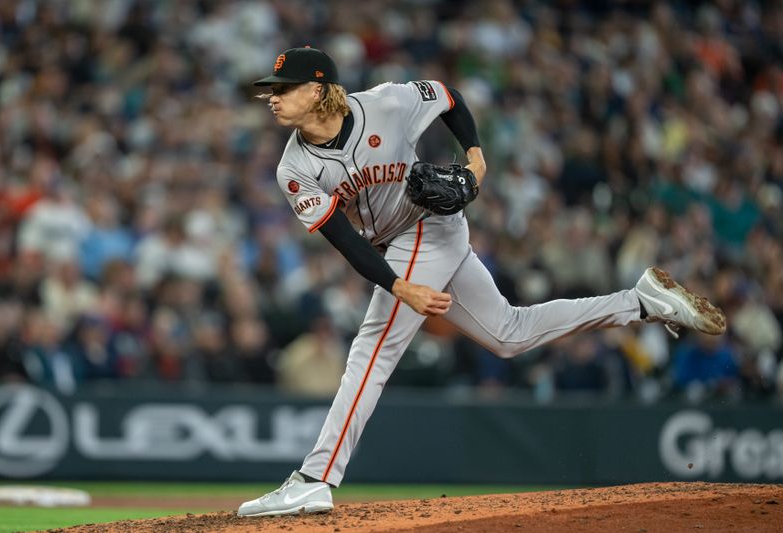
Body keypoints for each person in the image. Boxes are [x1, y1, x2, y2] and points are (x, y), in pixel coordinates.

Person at [237, 47, 726, 517]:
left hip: (429, 225)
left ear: (319, 88)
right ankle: (640, 301)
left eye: (284, 86)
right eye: (271, 89)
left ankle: (316, 478)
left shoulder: (386, 102)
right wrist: (399, 285)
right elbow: (345, 240)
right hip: (395, 247)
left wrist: (475, 157)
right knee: (509, 334)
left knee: (373, 349)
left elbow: (450, 98)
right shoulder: (293, 167)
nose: (273, 96)